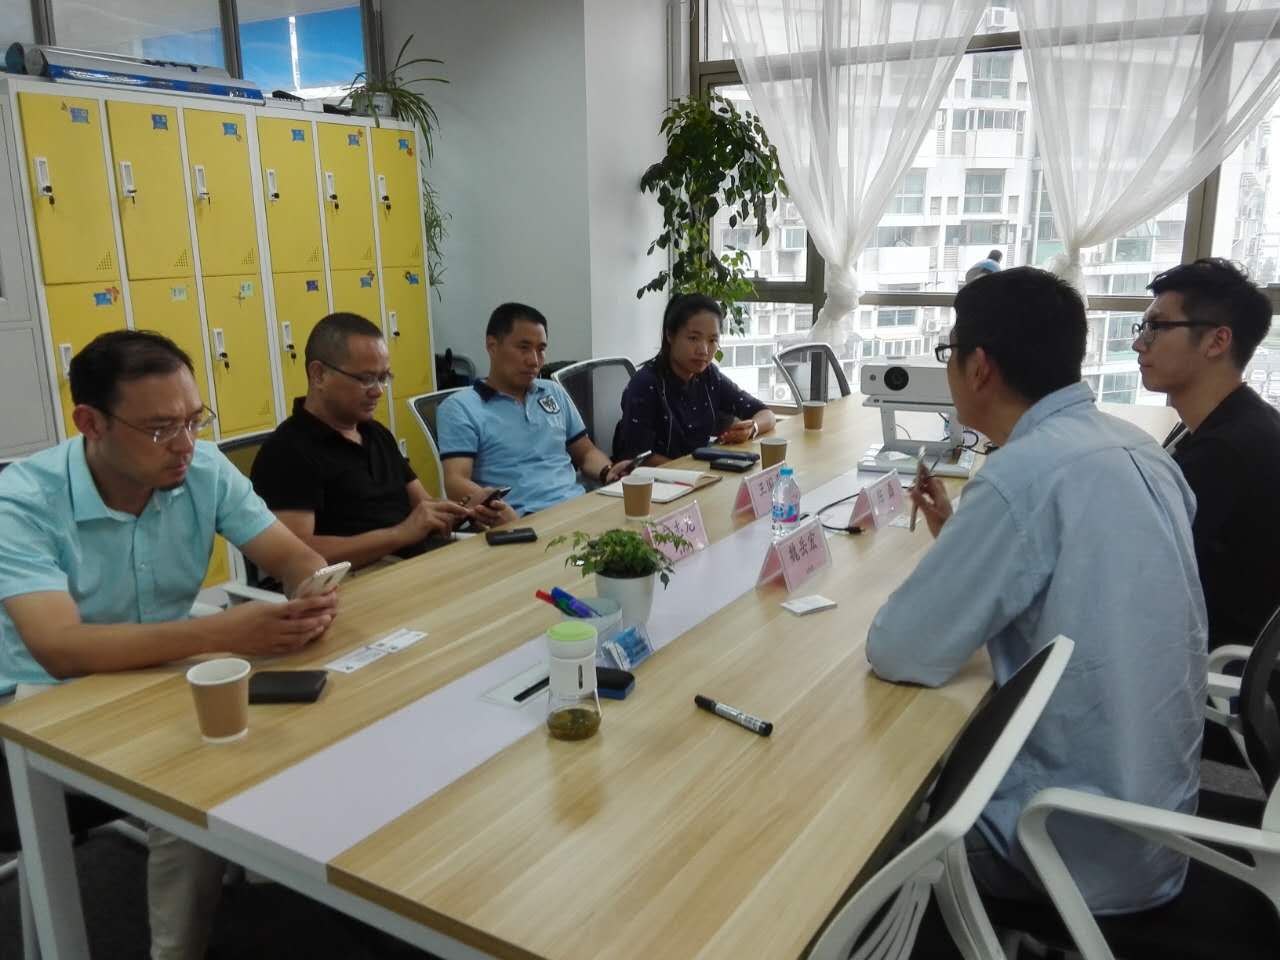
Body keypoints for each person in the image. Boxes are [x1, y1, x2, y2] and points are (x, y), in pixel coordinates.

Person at [866, 268, 1206, 916]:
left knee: (862, 841)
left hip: (1061, 847)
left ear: (979, 368)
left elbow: (900, 649)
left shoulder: (1022, 474)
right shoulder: (1142, 450)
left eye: (949, 352)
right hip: (1162, 825)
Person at [0, 330, 340, 959]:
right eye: (160, 428)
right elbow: (59, 649)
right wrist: (223, 632)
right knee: (195, 774)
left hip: (162, 670)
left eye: (193, 419)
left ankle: (278, 875)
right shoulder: (23, 501)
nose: (185, 443)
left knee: (314, 710)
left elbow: (293, 555)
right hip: (45, 702)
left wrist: (311, 587)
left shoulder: (202, 468)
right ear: (90, 423)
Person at [251, 313, 476, 571]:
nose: (378, 390)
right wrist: (399, 534)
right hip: (354, 580)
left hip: (412, 566)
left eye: (383, 377)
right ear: (319, 375)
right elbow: (295, 552)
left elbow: (423, 506)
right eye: (366, 379)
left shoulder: (376, 433)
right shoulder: (287, 451)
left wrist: (466, 511)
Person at [1133, 258, 1280, 651]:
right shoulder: (1225, 423)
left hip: (1210, 663)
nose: (1139, 343)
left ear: (1217, 341)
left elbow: (1138, 567)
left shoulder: (1228, 451)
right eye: (1143, 327)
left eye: (1157, 327)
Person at [437, 303, 633, 515]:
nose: (534, 360)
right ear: (492, 346)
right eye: (523, 348)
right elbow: (455, 481)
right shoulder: (460, 408)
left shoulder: (552, 391)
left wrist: (607, 471)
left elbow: (585, 453)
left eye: (541, 349)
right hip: (521, 518)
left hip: (576, 507)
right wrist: (496, 509)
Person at [614, 294, 776, 464]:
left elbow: (766, 414)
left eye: (712, 340)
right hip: (655, 478)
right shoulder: (645, 383)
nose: (704, 350)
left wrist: (752, 428)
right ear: (670, 335)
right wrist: (694, 470)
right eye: (693, 338)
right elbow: (639, 457)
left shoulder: (709, 376)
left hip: (696, 472)